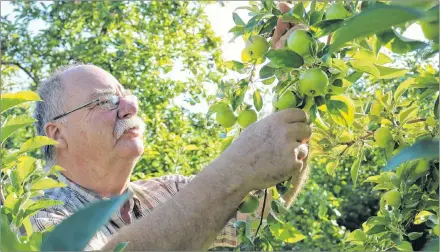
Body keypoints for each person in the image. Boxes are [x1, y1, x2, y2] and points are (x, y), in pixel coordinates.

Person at [29, 2, 311, 251]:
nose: (131, 107)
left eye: (127, 96)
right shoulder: (34, 215)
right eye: (106, 101)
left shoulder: (166, 193)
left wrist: (295, 79)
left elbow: (260, 203)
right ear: (57, 134)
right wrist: (233, 170)